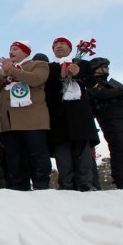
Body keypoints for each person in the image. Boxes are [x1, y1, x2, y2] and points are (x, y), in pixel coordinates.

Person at [0, 40, 51, 191]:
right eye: (10, 49)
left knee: (37, 155)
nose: (11, 52)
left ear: (25, 52)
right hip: (10, 123)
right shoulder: (7, 69)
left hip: (33, 121)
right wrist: (3, 74)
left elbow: (35, 79)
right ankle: (17, 188)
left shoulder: (38, 65)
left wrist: (12, 70)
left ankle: (41, 186)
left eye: (15, 49)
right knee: (14, 158)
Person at [46, 37, 99, 191]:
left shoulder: (83, 64)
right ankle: (66, 184)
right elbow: (47, 90)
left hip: (80, 115)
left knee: (82, 151)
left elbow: (92, 84)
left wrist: (78, 73)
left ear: (70, 48)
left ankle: (85, 183)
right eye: (55, 45)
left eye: (62, 44)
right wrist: (61, 78)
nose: (58, 46)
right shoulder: (50, 67)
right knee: (62, 152)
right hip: (59, 115)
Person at [88, 57, 123, 190]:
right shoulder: (94, 83)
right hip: (109, 120)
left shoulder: (111, 84)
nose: (107, 69)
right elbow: (102, 94)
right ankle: (122, 183)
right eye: (105, 66)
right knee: (120, 151)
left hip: (122, 119)